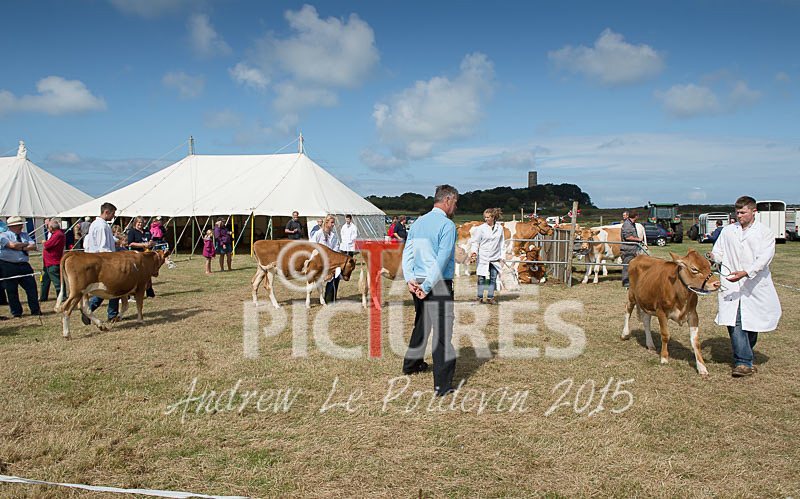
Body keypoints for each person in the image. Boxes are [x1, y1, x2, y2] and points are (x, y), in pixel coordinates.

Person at [708, 196, 782, 377]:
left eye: (743, 212)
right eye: (737, 212)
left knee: (751, 322)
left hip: (754, 283)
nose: (739, 216)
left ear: (753, 211)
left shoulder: (764, 232)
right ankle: (743, 362)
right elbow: (719, 251)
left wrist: (746, 272)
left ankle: (745, 351)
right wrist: (712, 257)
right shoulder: (727, 231)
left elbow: (765, 258)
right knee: (735, 322)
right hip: (731, 283)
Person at [401, 184, 459, 397]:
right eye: (455, 203)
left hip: (418, 281)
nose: (455, 207)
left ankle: (411, 364)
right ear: (447, 201)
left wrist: (410, 280)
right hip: (437, 283)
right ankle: (442, 385)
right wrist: (426, 287)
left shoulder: (417, 223)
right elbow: (442, 260)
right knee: (443, 333)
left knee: (421, 325)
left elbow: (408, 254)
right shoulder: (447, 225)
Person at [84, 203, 120, 324]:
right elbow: (103, 248)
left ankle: (93, 310)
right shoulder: (101, 226)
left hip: (100, 260)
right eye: (112, 214)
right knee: (113, 288)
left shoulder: (98, 224)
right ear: (107, 212)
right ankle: (110, 314)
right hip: (103, 261)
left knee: (106, 289)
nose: (113, 217)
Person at [0, 216, 42, 318]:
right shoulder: (3, 236)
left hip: (24, 265)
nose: (21, 227)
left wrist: (20, 246)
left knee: (32, 288)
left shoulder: (25, 235)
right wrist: (24, 245)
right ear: (12, 226)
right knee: (12, 290)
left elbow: (33, 246)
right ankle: (16, 312)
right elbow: (12, 245)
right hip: (8, 266)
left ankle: (35, 310)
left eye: (21, 225)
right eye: (19, 225)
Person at [469, 208, 504, 304]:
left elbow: (502, 243)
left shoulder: (500, 228)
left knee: (493, 277)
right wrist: (474, 252)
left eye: (488, 217)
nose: (486, 219)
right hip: (483, 256)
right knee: (481, 278)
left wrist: (502, 256)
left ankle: (490, 297)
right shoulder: (481, 229)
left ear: (493, 217)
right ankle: (479, 298)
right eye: (485, 217)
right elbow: (476, 242)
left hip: (495, 256)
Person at [310, 214, 341, 304]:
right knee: (327, 277)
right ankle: (327, 299)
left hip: (331, 261)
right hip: (320, 262)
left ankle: (332, 298)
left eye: (333, 223)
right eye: (331, 222)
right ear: (326, 223)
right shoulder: (318, 234)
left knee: (337, 274)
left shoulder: (333, 235)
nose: (333, 224)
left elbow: (336, 248)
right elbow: (311, 245)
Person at [127, 217, 156, 298]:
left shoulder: (146, 231)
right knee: (138, 275)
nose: (140, 224)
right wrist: (142, 245)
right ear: (135, 223)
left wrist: (152, 243)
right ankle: (136, 293)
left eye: (142, 223)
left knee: (148, 274)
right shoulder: (132, 232)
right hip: (136, 255)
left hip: (146, 255)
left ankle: (150, 292)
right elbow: (130, 243)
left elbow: (152, 241)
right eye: (138, 222)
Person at [40, 219, 65, 302]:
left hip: (53, 262)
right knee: (45, 281)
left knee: (57, 282)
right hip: (48, 262)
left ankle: (63, 297)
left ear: (51, 228)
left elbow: (47, 245)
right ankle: (43, 297)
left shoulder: (57, 235)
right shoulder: (56, 234)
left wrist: (44, 242)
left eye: (48, 227)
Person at [620, 210, 643, 288]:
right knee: (627, 265)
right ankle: (626, 282)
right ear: (636, 217)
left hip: (632, 248)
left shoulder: (631, 224)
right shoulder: (627, 225)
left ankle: (631, 281)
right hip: (627, 249)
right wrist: (638, 239)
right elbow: (628, 237)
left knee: (632, 265)